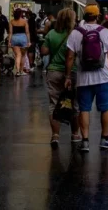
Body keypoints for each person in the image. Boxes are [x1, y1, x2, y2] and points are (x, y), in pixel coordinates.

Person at [64, 4, 108, 151]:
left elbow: (70, 57)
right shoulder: (104, 32)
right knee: (105, 109)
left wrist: (67, 76)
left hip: (83, 79)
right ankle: (104, 139)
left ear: (84, 16)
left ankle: (85, 141)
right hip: (104, 78)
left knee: (84, 109)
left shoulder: (75, 33)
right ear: (97, 17)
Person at [42, 8, 81, 148]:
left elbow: (44, 51)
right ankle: (75, 134)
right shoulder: (75, 35)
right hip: (72, 73)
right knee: (74, 104)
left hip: (53, 71)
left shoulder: (52, 33)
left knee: (53, 104)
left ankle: (55, 136)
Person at [8, 9, 30, 76]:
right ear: (21, 14)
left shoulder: (11, 21)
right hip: (23, 38)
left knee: (18, 55)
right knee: (23, 55)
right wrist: (29, 41)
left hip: (14, 38)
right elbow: (27, 32)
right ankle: (21, 71)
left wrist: (9, 41)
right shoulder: (24, 21)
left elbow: (10, 32)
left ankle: (17, 71)